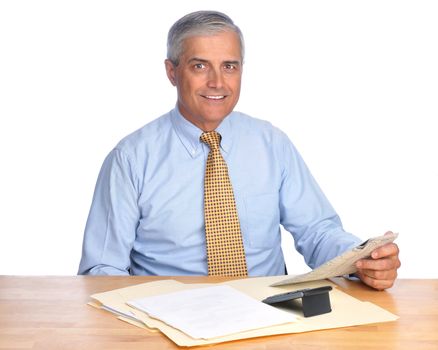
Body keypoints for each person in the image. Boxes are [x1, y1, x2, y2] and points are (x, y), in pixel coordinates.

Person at [78, 10, 400, 290]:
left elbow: (317, 231)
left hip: (269, 313)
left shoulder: (271, 143)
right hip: (170, 317)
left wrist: (363, 259)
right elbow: (102, 271)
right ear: (172, 72)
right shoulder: (131, 158)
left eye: (229, 66)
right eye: (200, 66)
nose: (217, 82)